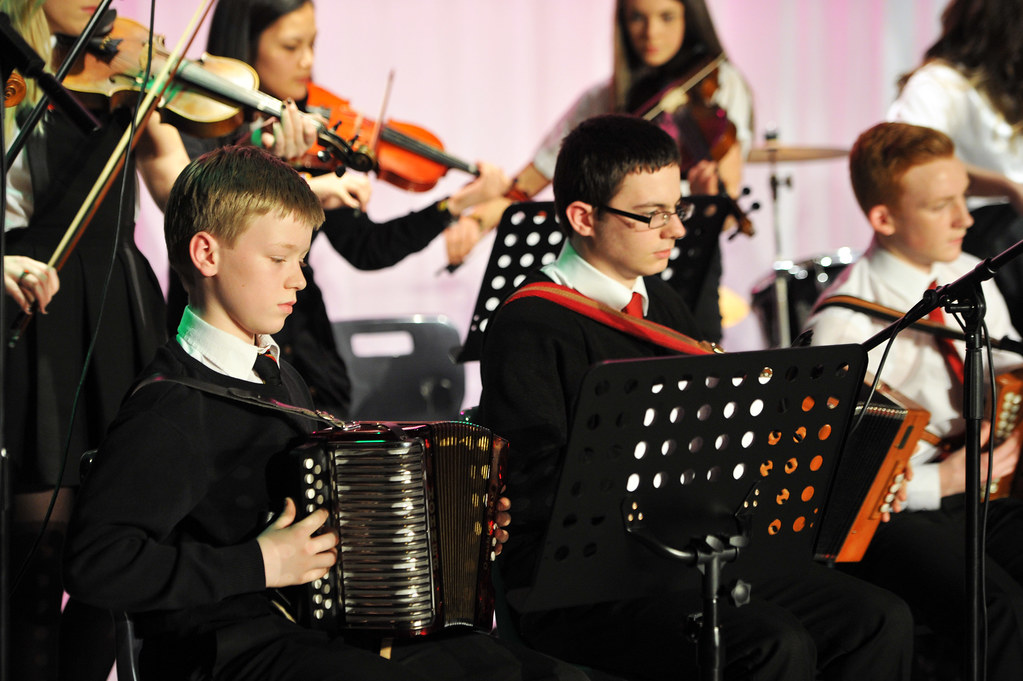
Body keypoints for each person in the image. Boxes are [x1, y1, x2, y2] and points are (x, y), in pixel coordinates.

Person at [61, 144, 607, 681]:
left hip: (319, 631)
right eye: (279, 259)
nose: (297, 279)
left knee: (528, 671)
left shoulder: (279, 375)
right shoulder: (171, 405)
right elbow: (95, 564)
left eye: (300, 260)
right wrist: (261, 562)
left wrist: (455, 528)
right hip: (230, 651)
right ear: (207, 254)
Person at [476, 113, 913, 681]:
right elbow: (539, 495)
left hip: (691, 554)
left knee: (879, 618)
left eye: (675, 208)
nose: (676, 231)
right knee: (772, 644)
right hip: (585, 582)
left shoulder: (666, 305)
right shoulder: (530, 325)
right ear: (583, 217)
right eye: (651, 215)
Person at [167, 0, 508, 416]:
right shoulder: (196, 118)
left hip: (303, 350)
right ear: (246, 46)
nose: (307, 61)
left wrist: (454, 205)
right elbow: (197, 207)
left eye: (312, 44)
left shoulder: (314, 129)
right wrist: (295, 177)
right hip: (215, 346)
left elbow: (366, 248)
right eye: (291, 47)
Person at [2, 1, 192, 679]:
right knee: (33, 559)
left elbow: (175, 183)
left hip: (114, 306)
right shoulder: (10, 68)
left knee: (105, 561)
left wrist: (262, 187)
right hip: (29, 296)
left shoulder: (125, 62)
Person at [803, 121, 1023, 679]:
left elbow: (1009, 373)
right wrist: (946, 483)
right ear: (884, 217)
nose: (966, 219)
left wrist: (1009, 428)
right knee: (998, 607)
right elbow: (838, 478)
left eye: (964, 199)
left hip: (980, 487)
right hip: (897, 512)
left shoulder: (968, 275)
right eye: (940, 205)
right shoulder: (845, 323)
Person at [464, 0, 754, 342]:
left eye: (666, 17)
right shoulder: (605, 97)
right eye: (637, 18)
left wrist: (710, 199)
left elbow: (729, 206)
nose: (651, 33)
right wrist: (476, 219)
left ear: (690, 20)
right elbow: (530, 178)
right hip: (619, 258)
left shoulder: (721, 84)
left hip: (689, 256)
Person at [887, 0, 1023, 333]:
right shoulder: (936, 85)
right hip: (983, 233)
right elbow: (916, 162)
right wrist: (1008, 187)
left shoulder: (1008, 89)